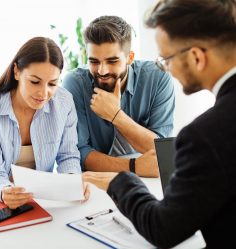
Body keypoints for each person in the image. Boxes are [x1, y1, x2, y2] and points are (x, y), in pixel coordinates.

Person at [83, 0, 236, 248]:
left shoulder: (206, 136)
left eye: (166, 58)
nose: (167, 68)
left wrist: (120, 180)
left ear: (196, 57)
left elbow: (163, 229)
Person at [0, 37, 89, 209]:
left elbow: (68, 155)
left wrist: (72, 183)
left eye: (52, 84)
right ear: (16, 71)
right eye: (35, 81)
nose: (44, 93)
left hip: (36, 201)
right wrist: (5, 191)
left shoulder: (64, 102)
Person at [63, 16, 175, 177]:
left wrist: (115, 115)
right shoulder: (75, 83)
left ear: (130, 57)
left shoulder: (157, 78)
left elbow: (162, 150)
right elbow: (78, 152)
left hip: (149, 177)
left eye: (112, 61)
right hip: (98, 178)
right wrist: (133, 166)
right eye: (94, 61)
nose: (102, 71)